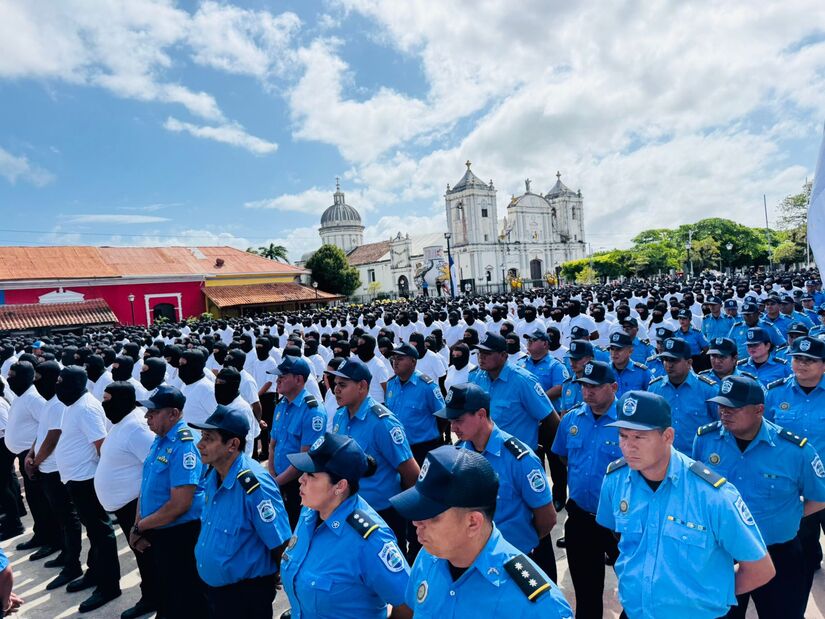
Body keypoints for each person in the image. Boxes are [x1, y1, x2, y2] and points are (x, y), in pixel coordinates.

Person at [596, 390, 775, 619]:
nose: (628, 447)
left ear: (668, 436)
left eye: (639, 437)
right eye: (623, 436)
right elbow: (618, 537)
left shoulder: (712, 495)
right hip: (636, 612)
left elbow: (760, 569)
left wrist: (709, 597)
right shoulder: (615, 480)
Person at [693, 375, 825, 619]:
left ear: (759, 410)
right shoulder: (706, 440)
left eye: (734, 407)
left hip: (778, 554)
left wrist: (788, 516)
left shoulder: (794, 451)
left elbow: (819, 497)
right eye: (721, 406)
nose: (724, 412)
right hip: (723, 553)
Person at [390, 445, 573, 617]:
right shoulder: (428, 557)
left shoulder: (537, 605)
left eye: (432, 515)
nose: (416, 522)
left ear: (473, 523)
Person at [281, 432, 413, 619]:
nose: (301, 479)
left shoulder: (370, 540)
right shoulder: (310, 512)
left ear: (340, 486)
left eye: (311, 474)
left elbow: (408, 605)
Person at [441, 384, 557, 580]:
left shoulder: (520, 459)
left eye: (459, 420)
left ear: (480, 414)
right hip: (475, 561)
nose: (453, 428)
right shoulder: (459, 453)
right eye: (451, 421)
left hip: (515, 563)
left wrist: (521, 541)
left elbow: (547, 518)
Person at [192, 406, 291, 619]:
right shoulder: (213, 474)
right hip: (216, 591)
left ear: (232, 444)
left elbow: (280, 543)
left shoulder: (254, 485)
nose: (200, 444)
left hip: (244, 596)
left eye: (208, 438)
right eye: (202, 436)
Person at [551, 360, 622, 619]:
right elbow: (563, 457)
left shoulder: (627, 422)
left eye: (594, 386)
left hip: (620, 521)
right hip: (581, 517)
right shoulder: (571, 419)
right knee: (586, 593)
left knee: (636, 588)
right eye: (583, 386)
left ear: (613, 387)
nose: (587, 391)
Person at [132, 385, 208, 618]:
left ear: (173, 414)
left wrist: (140, 527)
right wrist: (138, 524)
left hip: (180, 535)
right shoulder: (161, 438)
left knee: (184, 596)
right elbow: (146, 487)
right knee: (167, 591)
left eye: (154, 412)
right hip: (159, 530)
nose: (147, 417)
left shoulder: (185, 445)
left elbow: (180, 504)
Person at [330, 358, 420, 552]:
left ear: (362, 386)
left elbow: (411, 473)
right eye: (335, 384)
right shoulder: (340, 416)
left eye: (343, 385)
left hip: (381, 514)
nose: (336, 389)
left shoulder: (382, 423)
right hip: (348, 508)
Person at [53, 365, 122, 612]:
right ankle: (95, 572)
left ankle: (109, 585)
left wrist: (104, 481)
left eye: (63, 383)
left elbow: (101, 445)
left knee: (101, 532)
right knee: (93, 531)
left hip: (88, 479)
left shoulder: (87, 408)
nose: (58, 387)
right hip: (76, 478)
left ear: (76, 385)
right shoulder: (72, 405)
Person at [763, 335, 825, 598]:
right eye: (797, 358)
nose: (801, 364)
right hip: (794, 482)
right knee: (802, 539)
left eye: (809, 360)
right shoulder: (776, 392)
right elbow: (764, 433)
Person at [94, 382, 158, 619]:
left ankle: (152, 597)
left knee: (146, 553)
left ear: (121, 401)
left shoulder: (137, 428)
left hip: (136, 506)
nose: (104, 404)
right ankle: (152, 594)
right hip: (124, 506)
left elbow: (153, 468)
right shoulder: (121, 423)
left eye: (108, 399)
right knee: (141, 553)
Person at [28, 361, 82, 593]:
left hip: (55, 469)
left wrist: (36, 460)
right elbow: (41, 433)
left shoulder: (60, 404)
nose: (35, 381)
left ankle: (72, 563)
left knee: (68, 517)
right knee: (57, 514)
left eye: (39, 377)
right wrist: (31, 453)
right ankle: (64, 552)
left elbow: (53, 436)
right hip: (44, 467)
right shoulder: (50, 403)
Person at [469, 333, 557, 453]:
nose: (481, 357)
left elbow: (550, 419)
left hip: (517, 459)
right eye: (480, 352)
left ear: (503, 355)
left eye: (487, 353)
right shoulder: (477, 377)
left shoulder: (522, 381)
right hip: (486, 454)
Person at [5, 361, 59, 548]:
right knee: (34, 500)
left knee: (41, 501)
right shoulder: (21, 396)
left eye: (12, 376)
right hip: (27, 456)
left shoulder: (35, 399)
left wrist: (35, 456)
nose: (9, 379)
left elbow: (48, 429)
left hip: (36, 458)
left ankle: (51, 539)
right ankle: (41, 533)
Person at [267, 355, 326, 529]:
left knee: (295, 529)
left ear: (299, 379)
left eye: (282, 377)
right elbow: (272, 445)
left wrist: (276, 482)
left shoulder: (312, 411)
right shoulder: (281, 405)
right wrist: (272, 475)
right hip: (277, 479)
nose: (277, 381)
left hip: (298, 485)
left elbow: (304, 459)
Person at [648, 338, 718, 454]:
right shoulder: (654, 389)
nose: (669, 365)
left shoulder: (708, 390)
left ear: (689, 362)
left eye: (674, 360)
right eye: (665, 359)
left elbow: (720, 425)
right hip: (665, 458)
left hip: (698, 458)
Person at [385, 344, 445, 465]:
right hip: (398, 447)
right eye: (394, 358)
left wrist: (433, 437)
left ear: (413, 361)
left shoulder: (427, 386)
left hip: (422, 448)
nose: (395, 362)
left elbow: (443, 416)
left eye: (400, 359)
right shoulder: (391, 384)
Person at [606, 331, 651, 397]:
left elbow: (653, 397)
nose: (614, 353)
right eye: (612, 349)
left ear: (630, 351)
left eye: (619, 349)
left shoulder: (642, 372)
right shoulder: (604, 371)